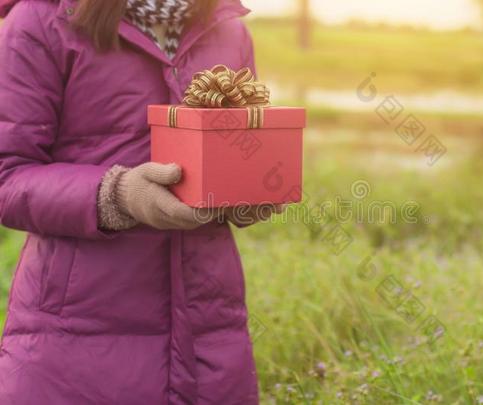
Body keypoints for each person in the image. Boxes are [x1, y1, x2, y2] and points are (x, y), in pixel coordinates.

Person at [0, 0, 281, 403]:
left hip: (211, 344)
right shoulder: (41, 20)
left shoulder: (228, 30)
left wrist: (245, 191)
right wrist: (118, 195)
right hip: (72, 346)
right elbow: (8, 174)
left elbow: (238, 148)